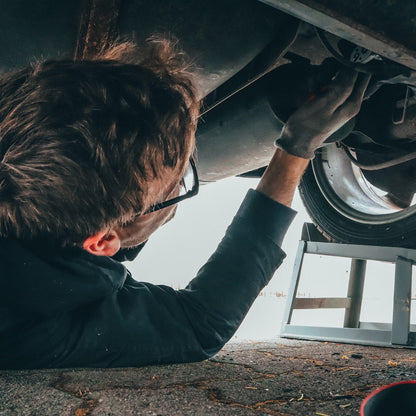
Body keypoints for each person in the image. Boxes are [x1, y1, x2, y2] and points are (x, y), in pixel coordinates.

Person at [0, 39, 370, 369]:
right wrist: (295, 147)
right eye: (176, 186)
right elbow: (200, 323)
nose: (179, 186)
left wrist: (297, 146)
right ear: (100, 242)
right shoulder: (37, 326)